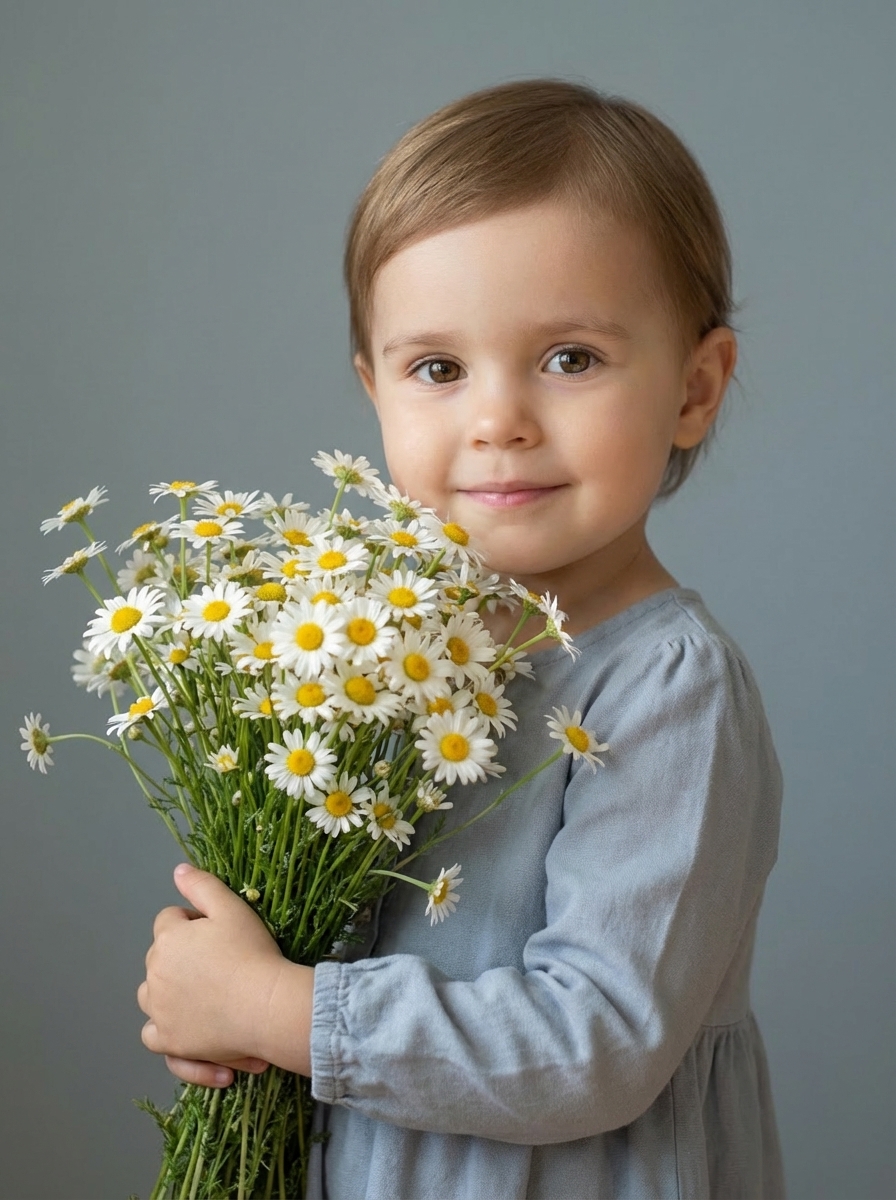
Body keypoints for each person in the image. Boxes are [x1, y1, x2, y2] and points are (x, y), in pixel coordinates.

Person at [138, 79, 786, 1198]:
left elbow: (594, 1044)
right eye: (437, 369)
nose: (497, 421)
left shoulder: (669, 691)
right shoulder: (382, 655)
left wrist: (280, 1010)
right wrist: (229, 1003)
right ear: (375, 391)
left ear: (694, 388)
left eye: (570, 357)